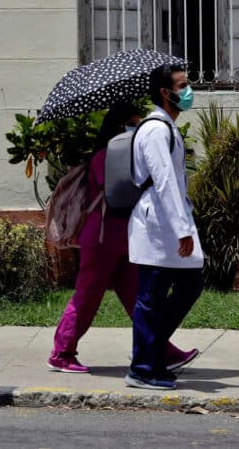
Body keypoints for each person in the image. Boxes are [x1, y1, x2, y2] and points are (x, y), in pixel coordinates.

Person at [48, 102, 198, 374]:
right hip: (103, 237)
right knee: (88, 296)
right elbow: (120, 192)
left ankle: (161, 350)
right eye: (132, 124)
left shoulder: (128, 155)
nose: (136, 129)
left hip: (126, 238)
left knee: (138, 298)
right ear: (118, 127)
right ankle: (62, 352)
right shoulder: (104, 157)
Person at [125, 65, 204, 390]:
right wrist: (183, 228)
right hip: (159, 225)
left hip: (166, 223)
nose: (188, 91)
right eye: (182, 85)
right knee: (151, 298)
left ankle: (154, 352)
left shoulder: (166, 128)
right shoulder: (157, 130)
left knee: (189, 285)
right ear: (164, 92)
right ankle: (143, 368)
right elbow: (165, 182)